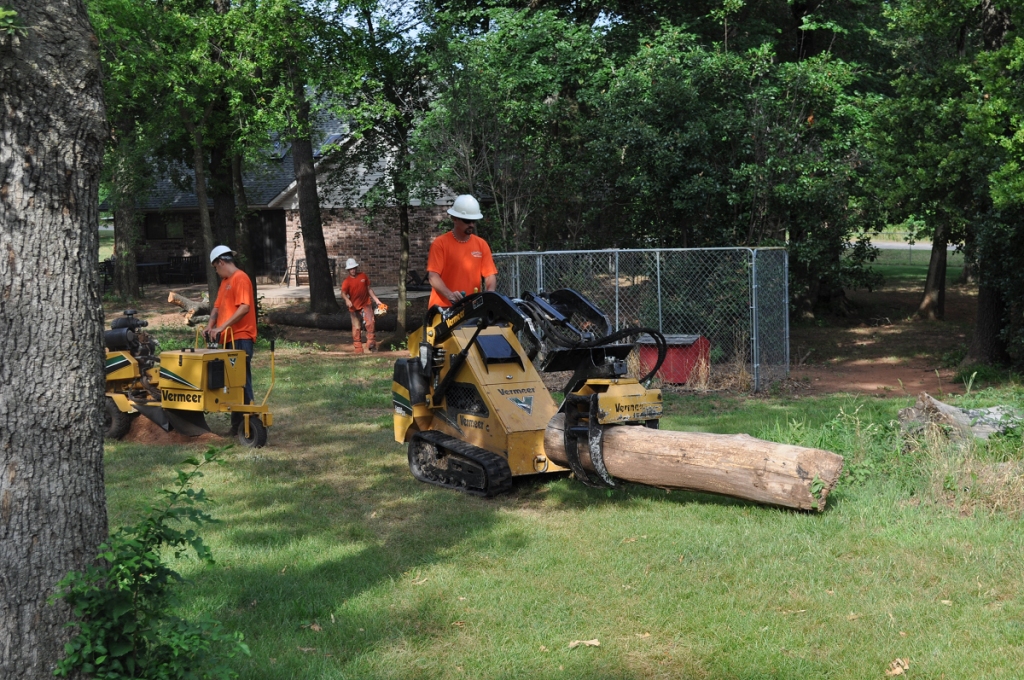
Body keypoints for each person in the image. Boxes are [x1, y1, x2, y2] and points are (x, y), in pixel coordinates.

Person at [205, 245, 257, 435]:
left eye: (215, 267)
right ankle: (237, 426)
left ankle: (250, 423)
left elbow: (244, 308)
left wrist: (222, 327)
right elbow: (217, 308)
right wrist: (211, 325)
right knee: (231, 384)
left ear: (221, 262)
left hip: (242, 337)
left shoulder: (240, 278)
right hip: (228, 339)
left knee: (241, 382)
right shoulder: (225, 282)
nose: (216, 272)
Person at [426, 194, 498, 308]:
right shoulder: (440, 243)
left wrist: (491, 293)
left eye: (473, 221)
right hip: (443, 309)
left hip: (470, 308)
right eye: (467, 221)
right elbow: (433, 276)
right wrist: (450, 295)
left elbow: (489, 275)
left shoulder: (481, 244)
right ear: (455, 218)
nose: (471, 225)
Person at [340, 258, 383, 353]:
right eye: (351, 269)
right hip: (354, 307)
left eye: (354, 268)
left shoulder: (363, 276)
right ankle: (358, 347)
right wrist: (347, 300)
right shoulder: (346, 282)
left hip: (366, 304)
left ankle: (371, 344)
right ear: (348, 270)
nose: (353, 270)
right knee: (356, 327)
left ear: (356, 267)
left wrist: (376, 300)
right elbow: (342, 293)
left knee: (370, 322)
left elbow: (369, 289)